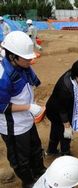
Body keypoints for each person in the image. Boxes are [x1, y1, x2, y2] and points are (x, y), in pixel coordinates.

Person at [0, 31, 46, 188]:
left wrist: (30, 107)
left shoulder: (23, 67)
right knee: (21, 159)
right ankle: (28, 182)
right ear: (12, 56)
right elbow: (1, 106)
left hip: (26, 120)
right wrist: (28, 107)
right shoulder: (3, 76)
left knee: (35, 148)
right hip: (13, 127)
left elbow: (31, 85)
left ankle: (40, 172)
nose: (31, 59)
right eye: (26, 57)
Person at [46, 58, 78, 156]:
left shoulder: (73, 74)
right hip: (57, 112)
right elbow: (62, 110)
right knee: (65, 135)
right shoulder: (65, 89)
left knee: (56, 129)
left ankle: (51, 150)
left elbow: (77, 90)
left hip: (58, 107)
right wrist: (67, 126)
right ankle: (65, 154)